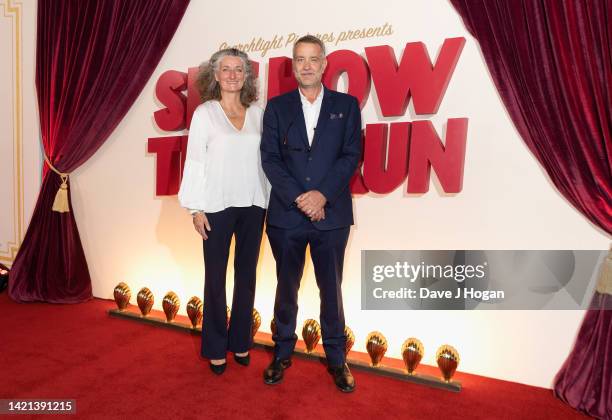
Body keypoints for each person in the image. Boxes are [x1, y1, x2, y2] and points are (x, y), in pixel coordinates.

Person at [260, 35, 362, 392]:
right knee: (285, 287)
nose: (306, 65)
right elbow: (270, 159)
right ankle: (282, 351)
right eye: (299, 59)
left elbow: (351, 156)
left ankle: (337, 359)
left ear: (324, 64)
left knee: (331, 289)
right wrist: (301, 198)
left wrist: (321, 196)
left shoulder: (347, 105)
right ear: (294, 64)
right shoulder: (276, 107)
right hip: (287, 216)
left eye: (313, 59)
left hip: (331, 216)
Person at [178, 48, 268, 375]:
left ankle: (240, 341)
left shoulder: (259, 113)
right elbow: (196, 162)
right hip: (215, 206)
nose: (232, 75)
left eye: (238, 69)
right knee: (215, 279)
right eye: (225, 69)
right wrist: (195, 208)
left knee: (246, 277)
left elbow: (267, 161)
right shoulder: (205, 113)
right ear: (214, 76)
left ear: (246, 76)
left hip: (255, 204)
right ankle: (216, 347)